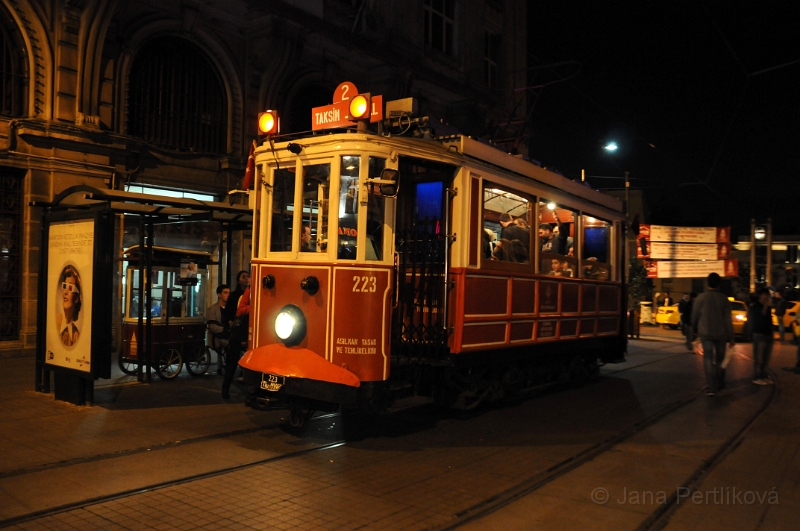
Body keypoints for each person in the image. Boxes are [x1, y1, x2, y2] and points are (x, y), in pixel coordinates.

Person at [691, 273, 735, 396]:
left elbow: (694, 317)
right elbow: (728, 320)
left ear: (707, 283)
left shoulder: (701, 298)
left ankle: (711, 387)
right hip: (721, 334)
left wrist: (693, 332)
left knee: (708, 359)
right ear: (719, 283)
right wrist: (731, 337)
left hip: (705, 333)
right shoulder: (723, 299)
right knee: (721, 358)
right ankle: (720, 382)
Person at [749, 288, 774, 385]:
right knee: (758, 358)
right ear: (760, 295)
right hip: (759, 335)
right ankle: (756, 377)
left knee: (766, 358)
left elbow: (770, 320)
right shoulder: (754, 306)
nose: (766, 297)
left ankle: (764, 375)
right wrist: (766, 306)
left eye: (767, 295)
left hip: (768, 335)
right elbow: (759, 318)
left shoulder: (769, 308)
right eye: (765, 295)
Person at [58, 266, 82, 347]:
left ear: (76, 298)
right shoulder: (53, 324)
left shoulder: (77, 335)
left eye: (70, 287)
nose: (66, 292)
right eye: (64, 286)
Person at [206, 284, 230, 365]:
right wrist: (225, 329)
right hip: (217, 337)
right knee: (231, 345)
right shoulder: (212, 309)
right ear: (219, 294)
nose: (228, 295)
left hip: (228, 335)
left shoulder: (230, 308)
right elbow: (212, 327)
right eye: (225, 293)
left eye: (229, 293)